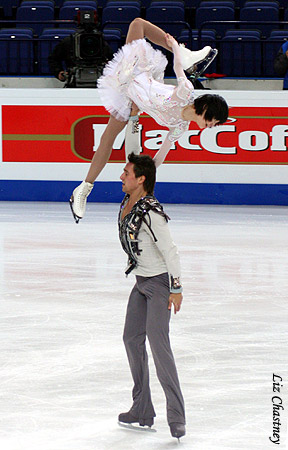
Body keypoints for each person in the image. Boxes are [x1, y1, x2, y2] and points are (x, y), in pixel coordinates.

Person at [69, 18, 229, 223]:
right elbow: (178, 67)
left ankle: (83, 188)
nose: (211, 127)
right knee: (137, 24)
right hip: (134, 73)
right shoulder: (185, 92)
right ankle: (84, 189)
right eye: (213, 121)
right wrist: (174, 48)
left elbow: (160, 157)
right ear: (205, 109)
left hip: (132, 100)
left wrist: (145, 176)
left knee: (108, 138)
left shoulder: (180, 127)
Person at [118, 152, 185, 440]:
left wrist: (176, 288)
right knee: (131, 339)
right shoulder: (129, 201)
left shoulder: (151, 213)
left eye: (127, 173)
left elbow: (170, 250)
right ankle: (142, 409)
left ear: (141, 179)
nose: (122, 176)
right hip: (141, 282)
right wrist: (132, 116)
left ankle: (177, 417)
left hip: (159, 284)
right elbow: (131, 145)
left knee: (160, 348)